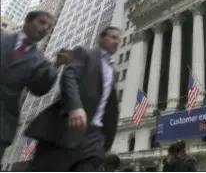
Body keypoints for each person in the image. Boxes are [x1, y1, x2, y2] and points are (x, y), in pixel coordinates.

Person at [25, 26, 121, 171]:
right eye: (113, 37)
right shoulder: (84, 53)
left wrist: (106, 138)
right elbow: (69, 77)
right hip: (69, 128)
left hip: (96, 137)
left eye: (118, 39)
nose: (116, 42)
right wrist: (75, 107)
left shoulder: (112, 70)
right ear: (101, 38)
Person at [0, 10, 73, 161]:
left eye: (49, 27)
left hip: (3, 123)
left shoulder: (39, 60)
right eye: (42, 22)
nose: (46, 28)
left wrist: (57, 64)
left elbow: (39, 89)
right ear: (28, 21)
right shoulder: (2, 38)